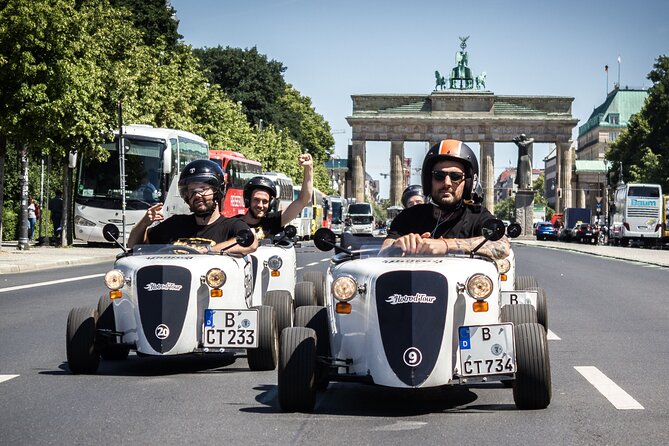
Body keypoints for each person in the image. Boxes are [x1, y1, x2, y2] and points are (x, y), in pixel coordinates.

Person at [381, 139, 509, 259]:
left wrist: (445, 245)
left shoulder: (478, 216)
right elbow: (382, 252)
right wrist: (397, 245)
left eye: (455, 176)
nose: (447, 182)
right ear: (428, 181)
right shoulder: (409, 216)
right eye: (439, 175)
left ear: (469, 183)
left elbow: (502, 246)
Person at [127, 159, 256, 254]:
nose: (197, 195)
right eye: (192, 191)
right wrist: (144, 223)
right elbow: (134, 245)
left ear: (218, 191)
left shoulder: (231, 225)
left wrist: (209, 250)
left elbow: (252, 243)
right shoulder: (175, 223)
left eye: (203, 189)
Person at [237, 153, 313, 238]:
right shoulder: (232, 224)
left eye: (265, 201)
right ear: (247, 199)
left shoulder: (272, 222)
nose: (260, 205)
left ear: (271, 203)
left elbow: (303, 200)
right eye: (256, 200)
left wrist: (308, 168)